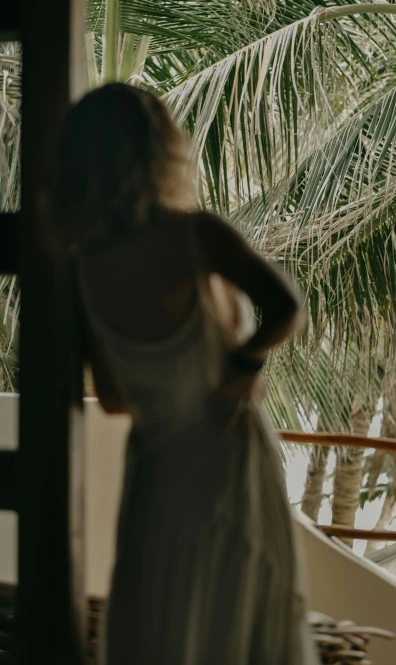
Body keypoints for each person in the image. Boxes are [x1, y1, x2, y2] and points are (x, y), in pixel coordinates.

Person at [52, 83, 319, 665]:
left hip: (157, 473)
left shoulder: (86, 270)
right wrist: (245, 362)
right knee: (237, 616)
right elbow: (287, 308)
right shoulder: (195, 235)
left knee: (165, 620)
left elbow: (117, 399)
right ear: (160, 152)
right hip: (226, 454)